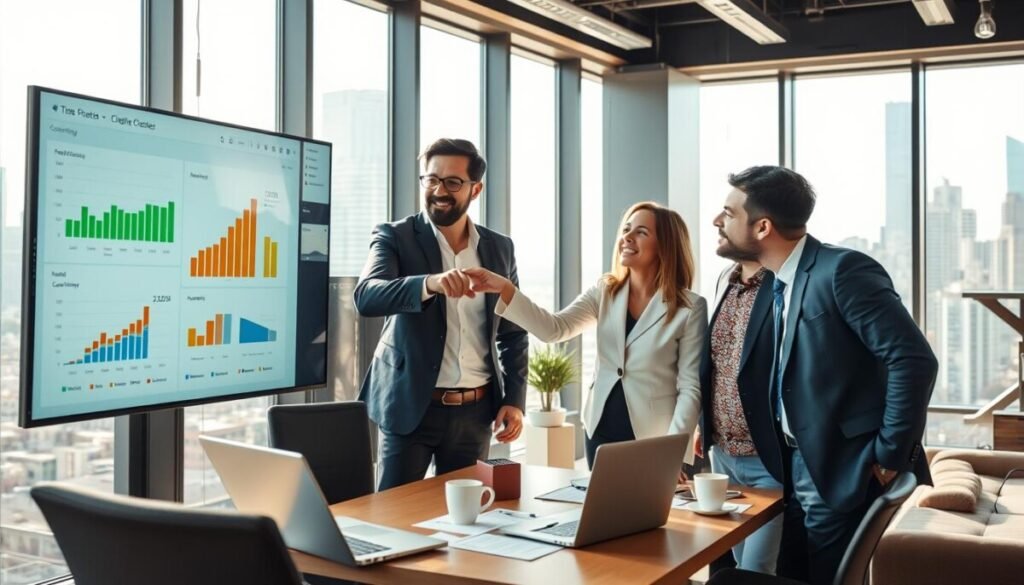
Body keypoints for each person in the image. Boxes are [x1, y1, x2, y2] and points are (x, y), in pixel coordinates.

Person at [717, 165, 937, 584]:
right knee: (792, 572)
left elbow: (913, 360)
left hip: (843, 468)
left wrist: (889, 455)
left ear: (763, 226)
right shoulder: (778, 282)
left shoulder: (841, 270)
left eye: (728, 213)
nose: (717, 220)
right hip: (796, 462)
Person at [463, 202, 707, 470]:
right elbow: (554, 328)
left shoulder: (689, 308)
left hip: (654, 437)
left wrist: (672, 453)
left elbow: (690, 388)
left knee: (656, 512)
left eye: (641, 232)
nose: (626, 237)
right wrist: (506, 289)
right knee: (604, 511)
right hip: (600, 429)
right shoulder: (604, 292)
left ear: (665, 245)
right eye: (626, 229)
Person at [353, 138, 529, 491]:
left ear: (475, 189)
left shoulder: (499, 249)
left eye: (452, 182)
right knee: (393, 517)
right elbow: (367, 296)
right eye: (431, 180)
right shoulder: (394, 236)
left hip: (475, 414)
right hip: (410, 407)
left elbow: (513, 330)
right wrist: (428, 283)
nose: (439, 190)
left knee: (466, 523)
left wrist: (514, 399)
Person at [697, 246, 784, 574]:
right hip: (723, 457)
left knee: (756, 569)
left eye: (729, 214)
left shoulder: (781, 282)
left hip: (765, 459)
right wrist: (701, 423)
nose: (719, 221)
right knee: (735, 564)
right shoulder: (724, 279)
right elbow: (715, 363)